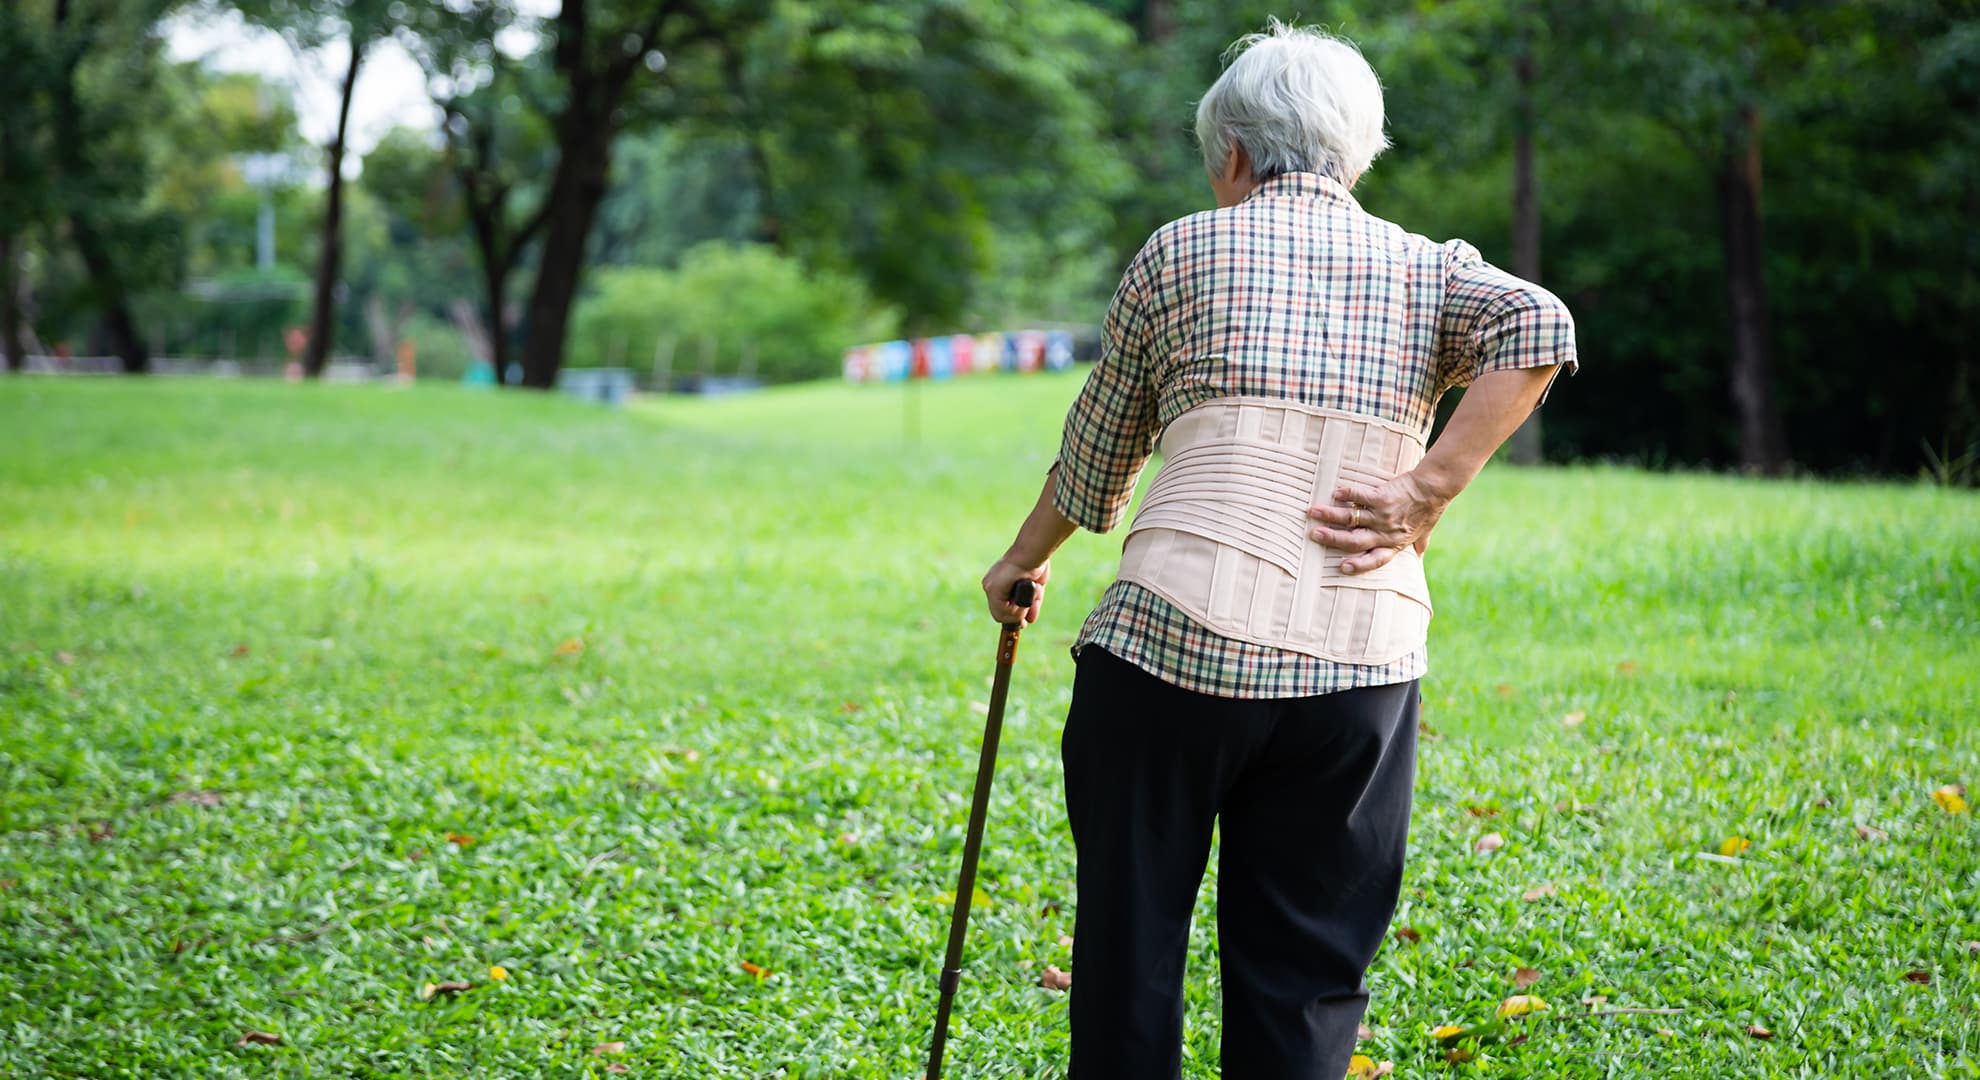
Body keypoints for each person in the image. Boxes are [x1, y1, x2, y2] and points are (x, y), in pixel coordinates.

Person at [979, 21, 1578, 1080]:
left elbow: (1097, 453)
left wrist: (1022, 562)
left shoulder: (1181, 250)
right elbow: (1540, 325)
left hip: (1169, 655)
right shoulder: (1427, 270)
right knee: (1304, 979)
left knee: (1130, 950)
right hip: (1359, 668)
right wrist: (1425, 489)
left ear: (1234, 157)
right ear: (1354, 156)